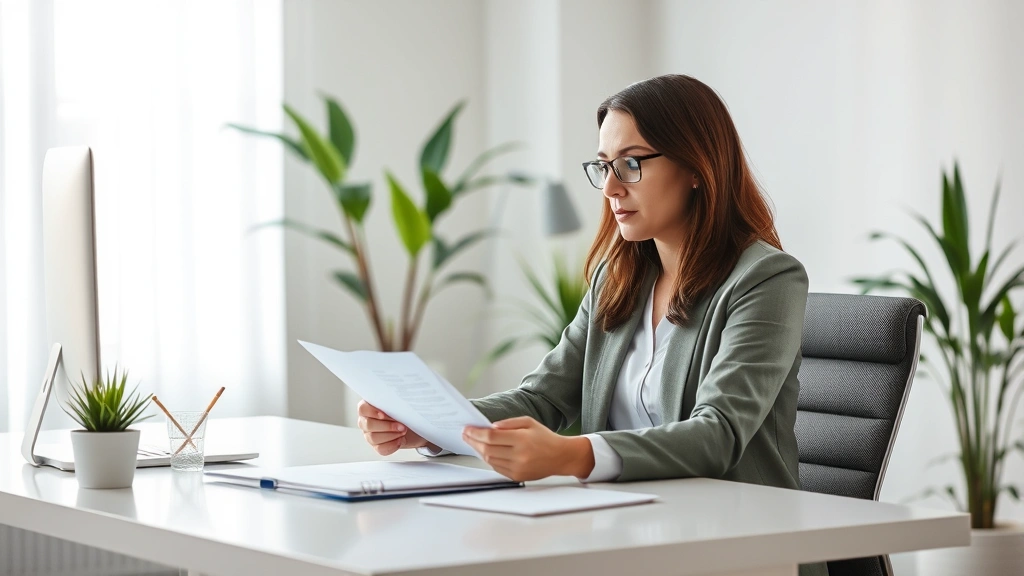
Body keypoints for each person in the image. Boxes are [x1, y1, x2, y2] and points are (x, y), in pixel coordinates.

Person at [358, 75, 825, 574]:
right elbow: (544, 398)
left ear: (696, 167)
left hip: (738, 547)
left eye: (630, 164)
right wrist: (430, 426)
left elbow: (718, 434)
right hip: (626, 534)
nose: (610, 188)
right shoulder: (618, 277)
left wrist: (571, 455)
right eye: (604, 167)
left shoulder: (766, 278)